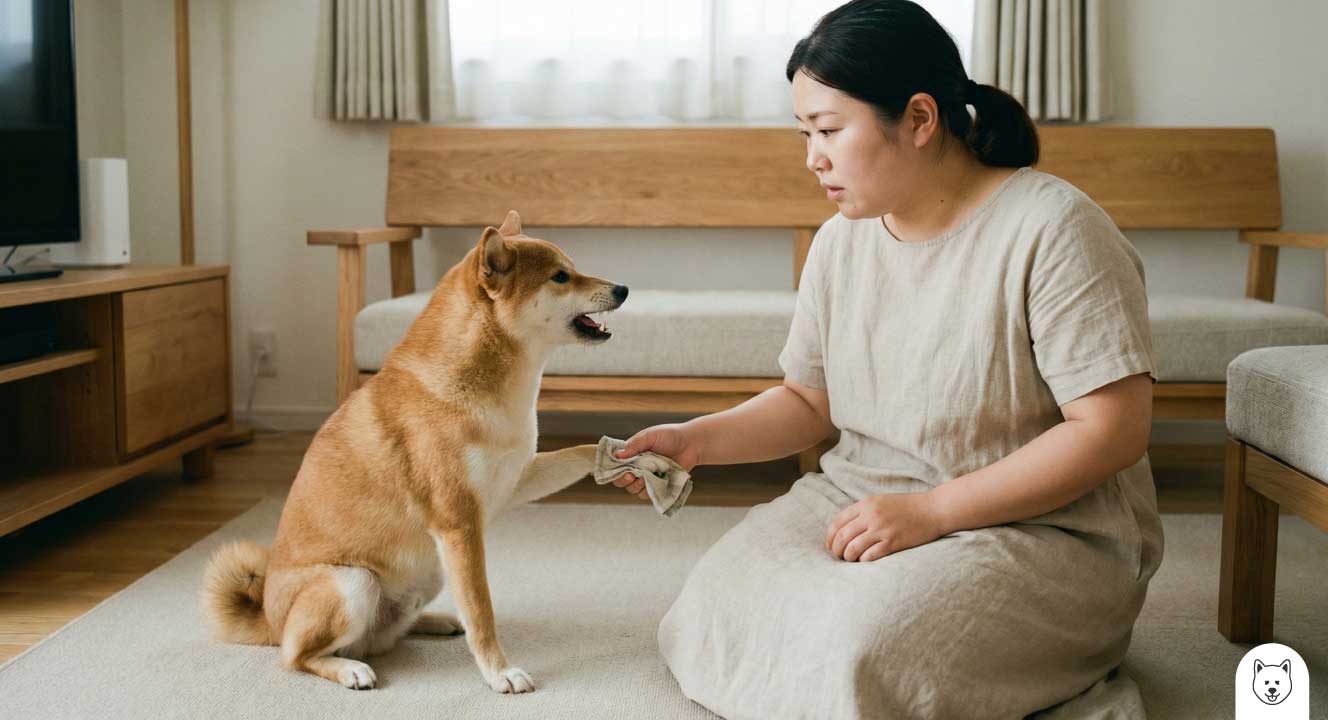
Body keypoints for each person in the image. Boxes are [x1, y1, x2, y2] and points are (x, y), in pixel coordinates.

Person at [607, 1, 1164, 718]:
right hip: (863, 497)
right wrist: (697, 441)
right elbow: (808, 402)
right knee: (709, 608)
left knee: (861, 646)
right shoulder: (844, 238)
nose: (813, 156)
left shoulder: (1055, 228)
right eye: (805, 132)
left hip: (1037, 526)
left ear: (921, 120)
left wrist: (932, 512)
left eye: (830, 130)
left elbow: (1111, 431)